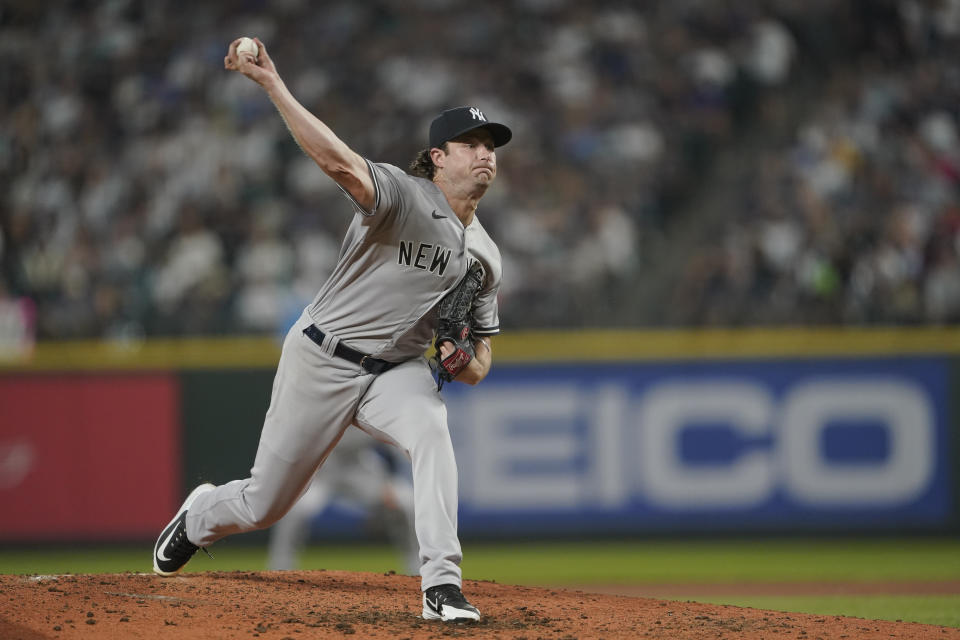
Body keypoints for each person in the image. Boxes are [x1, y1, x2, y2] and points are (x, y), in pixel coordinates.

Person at [152, 37, 511, 624]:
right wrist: (273, 84)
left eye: (491, 145)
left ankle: (441, 585)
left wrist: (460, 359)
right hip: (321, 357)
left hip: (393, 373)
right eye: (470, 143)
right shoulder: (403, 194)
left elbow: (481, 358)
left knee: (432, 430)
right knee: (266, 504)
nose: (485, 153)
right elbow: (338, 162)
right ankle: (199, 516)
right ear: (437, 157)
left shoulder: (486, 255)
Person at [266, 426, 419, 575]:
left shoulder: (369, 409)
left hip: (358, 470)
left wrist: (389, 481)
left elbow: (399, 449)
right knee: (294, 509)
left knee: (405, 502)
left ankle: (416, 568)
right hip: (321, 471)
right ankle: (280, 569)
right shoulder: (319, 407)